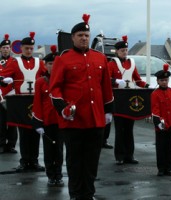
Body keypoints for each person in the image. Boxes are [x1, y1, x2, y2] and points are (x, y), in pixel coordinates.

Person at [49, 14, 114, 200]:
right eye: (80, 35)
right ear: (73, 38)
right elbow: (54, 88)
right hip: (74, 120)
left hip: (96, 119)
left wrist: (108, 112)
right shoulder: (64, 59)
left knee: (92, 160)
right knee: (75, 160)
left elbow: (106, 89)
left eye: (86, 35)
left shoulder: (100, 58)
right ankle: (76, 194)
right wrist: (63, 108)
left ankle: (88, 193)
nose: (84, 38)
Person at [0, 32, 47, 172]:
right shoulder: (15, 63)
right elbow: (2, 76)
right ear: (21, 48)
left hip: (36, 100)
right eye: (26, 48)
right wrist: (4, 80)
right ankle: (24, 161)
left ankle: (34, 161)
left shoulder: (39, 62)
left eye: (31, 48)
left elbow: (47, 76)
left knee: (35, 130)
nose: (29, 51)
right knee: (24, 131)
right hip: (21, 101)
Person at [108, 35, 149, 165]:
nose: (125, 52)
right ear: (117, 51)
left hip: (130, 98)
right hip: (118, 98)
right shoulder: (112, 64)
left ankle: (129, 155)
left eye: (126, 50)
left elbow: (137, 79)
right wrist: (116, 81)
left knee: (129, 129)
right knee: (120, 129)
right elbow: (106, 80)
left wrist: (148, 87)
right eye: (122, 50)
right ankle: (119, 156)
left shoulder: (131, 63)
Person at [32, 45, 64, 186]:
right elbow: (37, 103)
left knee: (59, 149)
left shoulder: (63, 81)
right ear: (45, 65)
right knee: (49, 150)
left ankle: (59, 174)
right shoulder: (40, 82)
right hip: (48, 121)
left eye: (55, 63)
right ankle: (51, 175)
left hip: (62, 121)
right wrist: (38, 122)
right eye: (50, 63)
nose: (53, 66)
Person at [151, 63, 171, 176]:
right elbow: (155, 109)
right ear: (158, 81)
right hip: (162, 125)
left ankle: (169, 168)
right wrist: (158, 123)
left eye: (166, 80)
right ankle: (161, 168)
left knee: (170, 147)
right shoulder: (155, 94)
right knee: (161, 147)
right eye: (162, 80)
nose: (164, 82)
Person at [0, 33, 18, 154]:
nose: (6, 50)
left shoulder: (15, 61)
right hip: (0, 96)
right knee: (0, 122)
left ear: (10, 49)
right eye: (4, 48)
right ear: (0, 49)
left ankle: (11, 144)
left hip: (11, 96)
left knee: (12, 122)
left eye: (8, 48)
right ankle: (1, 144)